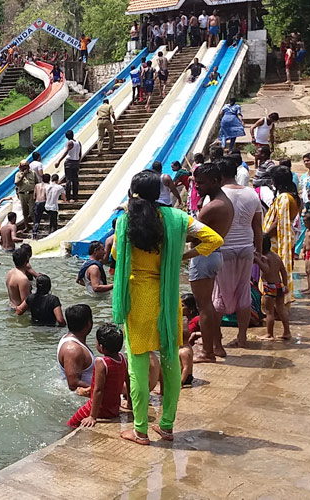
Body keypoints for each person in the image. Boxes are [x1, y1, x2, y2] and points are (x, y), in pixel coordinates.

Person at [112, 170, 223, 445]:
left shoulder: (125, 220)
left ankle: (139, 430)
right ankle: (167, 426)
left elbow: (115, 254)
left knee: (137, 364)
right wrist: (181, 255)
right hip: (168, 297)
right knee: (170, 360)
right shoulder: (178, 219)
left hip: (137, 297)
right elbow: (214, 239)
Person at [187, 163, 234, 363]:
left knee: (204, 306)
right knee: (209, 305)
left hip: (204, 256)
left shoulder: (213, 207)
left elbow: (191, 236)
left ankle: (208, 352)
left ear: (215, 181)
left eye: (201, 183)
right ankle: (217, 346)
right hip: (214, 254)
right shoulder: (223, 201)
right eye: (196, 183)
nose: (197, 187)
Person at [213, 159, 262, 349]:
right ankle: (242, 337)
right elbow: (257, 227)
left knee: (218, 296)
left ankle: (216, 342)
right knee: (244, 293)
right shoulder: (251, 193)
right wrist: (258, 251)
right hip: (246, 248)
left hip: (224, 249)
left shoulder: (217, 195)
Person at [67, 324, 129, 428]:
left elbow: (98, 390)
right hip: (113, 409)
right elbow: (128, 382)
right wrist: (130, 404)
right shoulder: (123, 359)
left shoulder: (101, 362)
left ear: (101, 347)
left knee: (70, 424)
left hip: (100, 410)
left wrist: (92, 416)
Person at [261, 166, 300, 310]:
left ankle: (277, 307)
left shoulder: (284, 198)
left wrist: (263, 235)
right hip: (286, 236)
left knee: (273, 274)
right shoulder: (294, 196)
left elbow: (279, 222)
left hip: (277, 239)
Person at [256, 235, 291, 340]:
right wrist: (285, 285)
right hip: (279, 285)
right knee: (281, 309)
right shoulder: (276, 256)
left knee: (269, 312)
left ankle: (269, 334)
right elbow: (283, 272)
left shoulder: (264, 258)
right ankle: (287, 332)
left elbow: (266, 270)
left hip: (270, 287)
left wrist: (257, 260)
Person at [57, 304, 95, 393]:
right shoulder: (73, 349)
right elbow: (73, 384)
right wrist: (101, 389)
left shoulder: (70, 340)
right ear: (88, 324)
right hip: (82, 401)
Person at [56, 130, 82, 202]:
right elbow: (80, 154)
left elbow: (66, 152)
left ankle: (68, 197)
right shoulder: (78, 142)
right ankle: (75, 197)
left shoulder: (69, 143)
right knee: (75, 180)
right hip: (76, 162)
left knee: (68, 180)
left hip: (69, 162)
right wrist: (78, 161)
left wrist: (59, 161)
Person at [33, 173, 50, 239]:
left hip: (37, 202)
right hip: (45, 202)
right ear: (49, 180)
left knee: (36, 220)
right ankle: (51, 230)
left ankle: (34, 234)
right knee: (52, 215)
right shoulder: (48, 186)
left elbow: (34, 196)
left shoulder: (37, 185)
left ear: (42, 179)